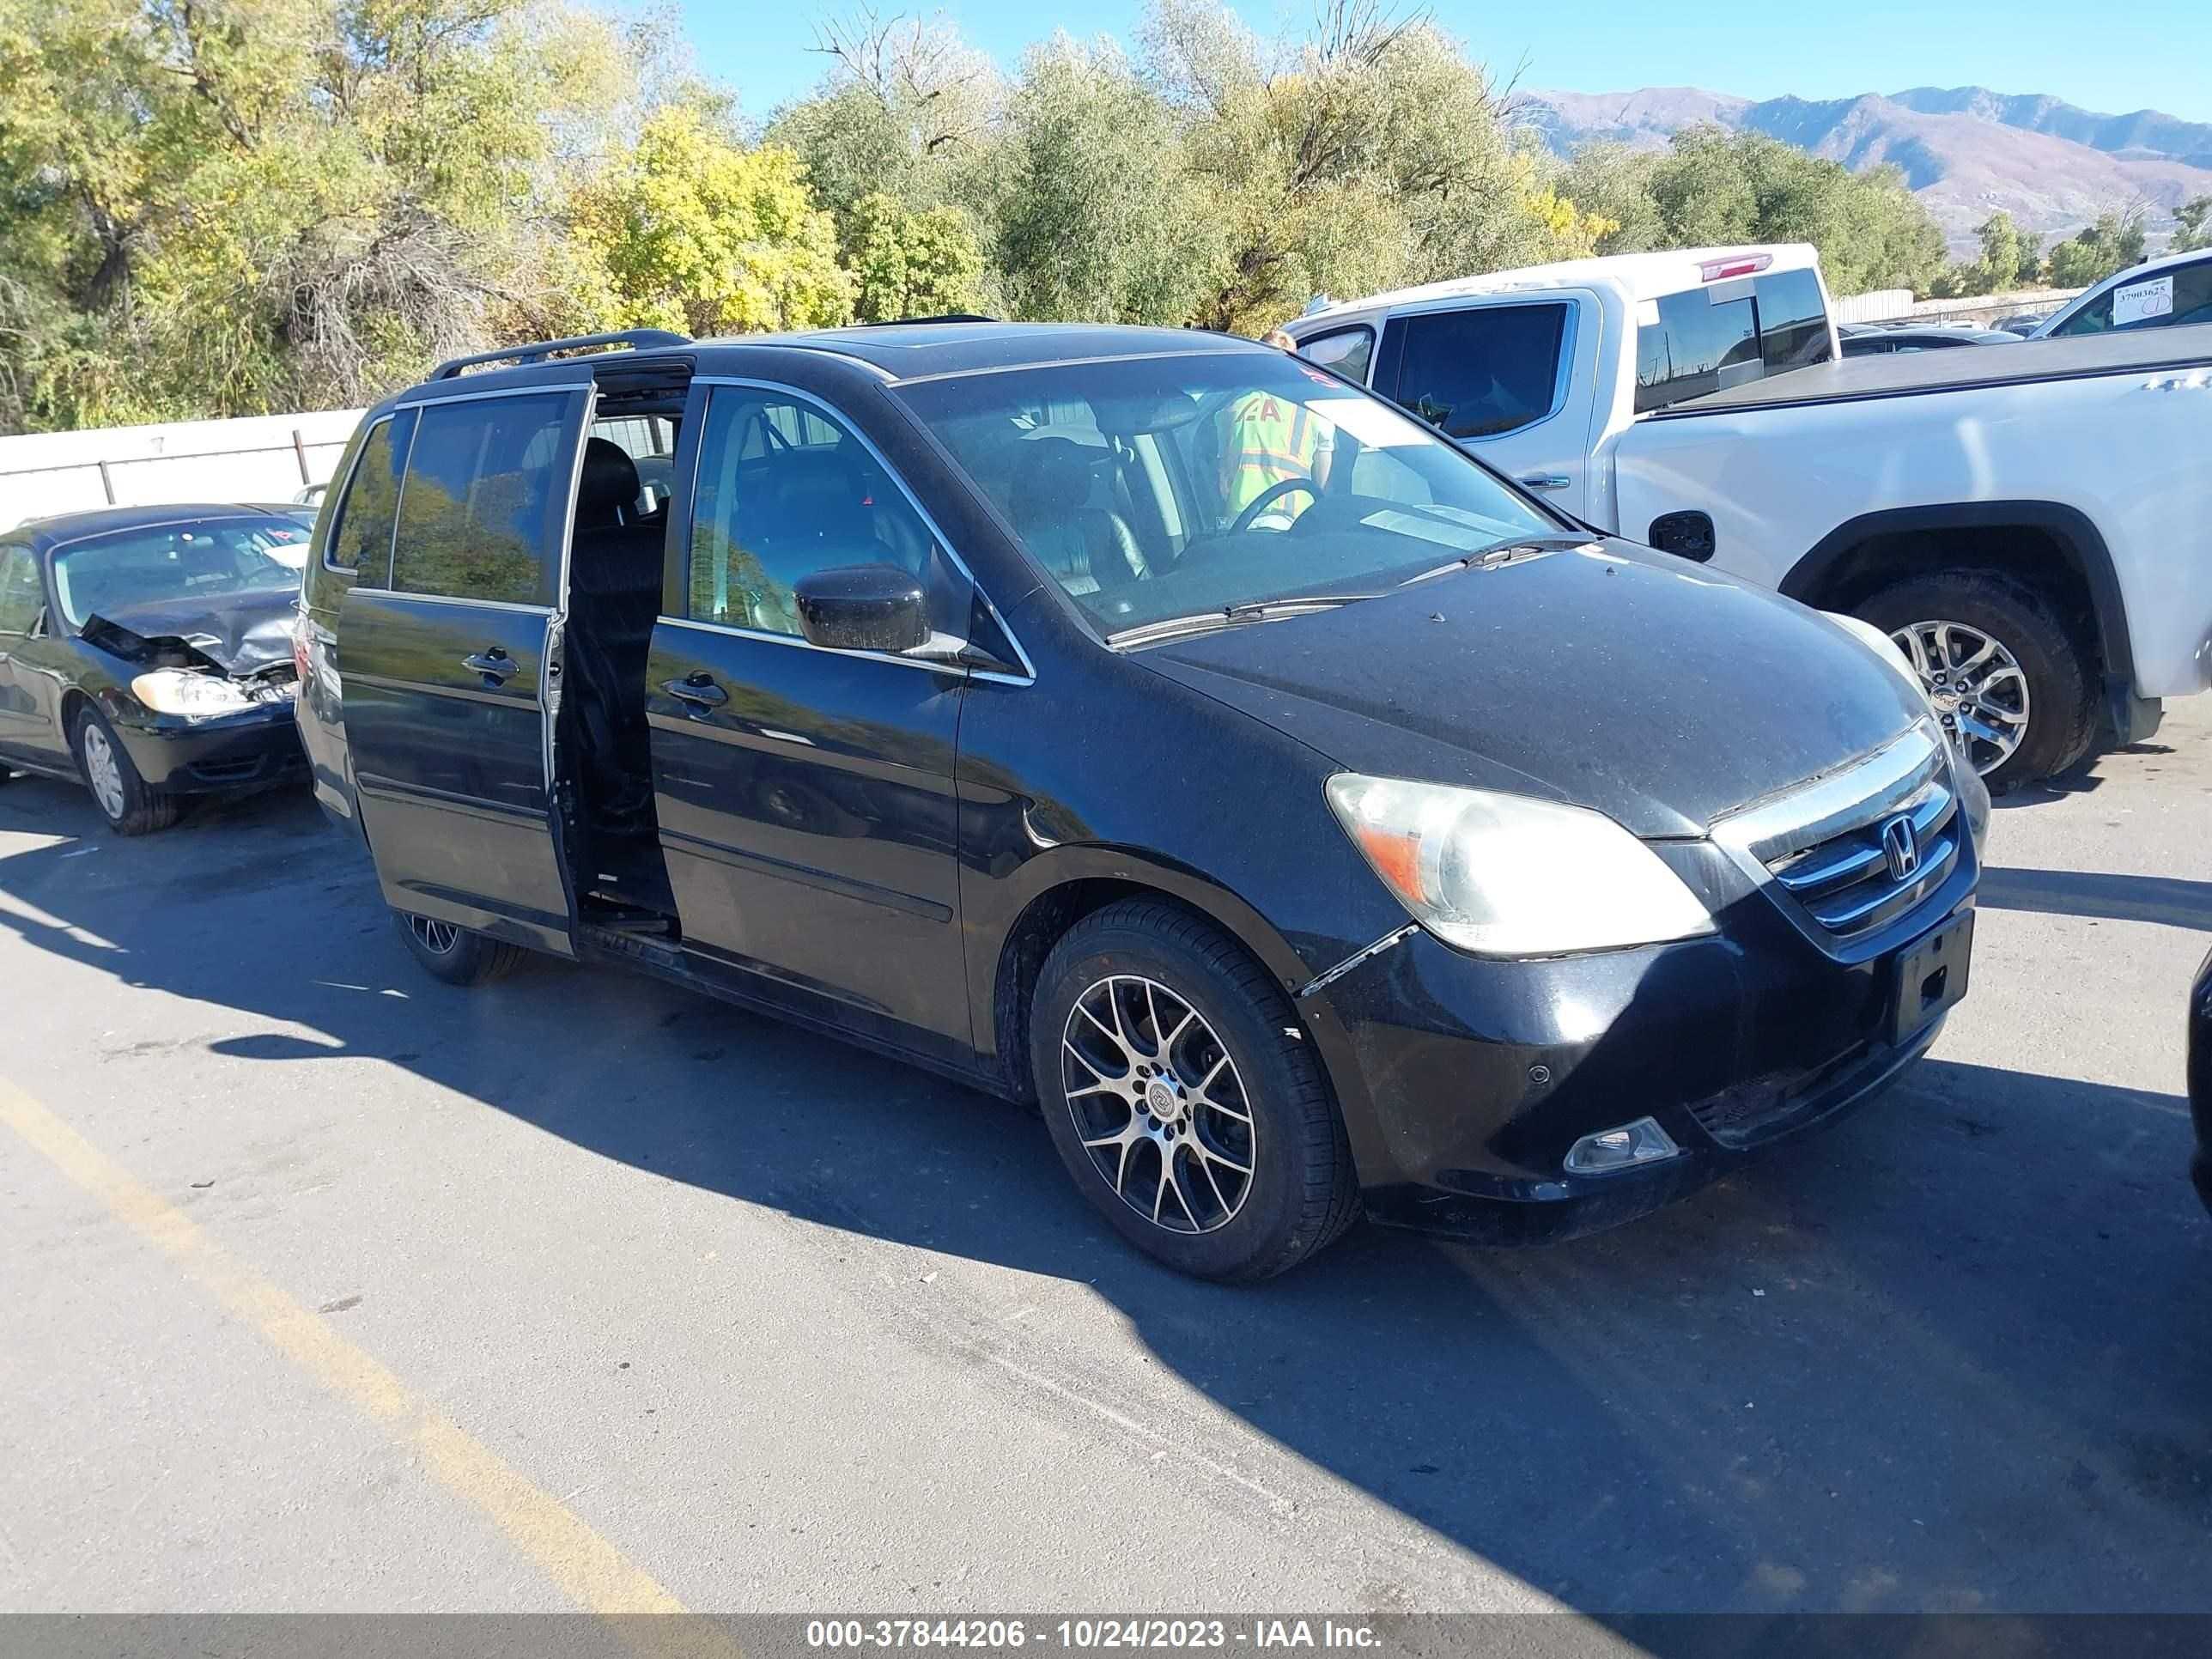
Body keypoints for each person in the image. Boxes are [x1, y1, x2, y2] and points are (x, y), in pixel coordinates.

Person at [1217, 330, 1334, 527]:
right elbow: (1323, 481)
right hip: (1292, 520)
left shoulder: (1231, 407)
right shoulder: (1313, 411)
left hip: (1240, 518)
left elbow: (1223, 473)